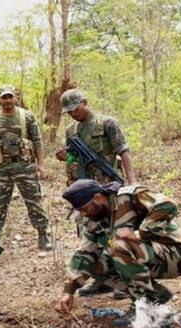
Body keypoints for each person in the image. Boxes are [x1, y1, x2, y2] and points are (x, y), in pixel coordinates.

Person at [55, 179, 181, 327]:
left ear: (97, 198)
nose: (83, 214)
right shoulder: (93, 220)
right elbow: (84, 255)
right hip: (148, 256)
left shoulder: (130, 197)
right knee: (96, 263)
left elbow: (167, 205)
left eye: (84, 209)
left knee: (119, 246)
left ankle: (147, 307)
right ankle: (153, 297)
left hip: (176, 253)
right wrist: (69, 291)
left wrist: (140, 233)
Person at [56, 89, 137, 299]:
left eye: (75, 109)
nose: (73, 114)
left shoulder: (107, 123)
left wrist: (131, 182)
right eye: (69, 112)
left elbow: (123, 151)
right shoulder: (71, 130)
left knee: (114, 233)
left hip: (109, 188)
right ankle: (102, 279)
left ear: (85, 102)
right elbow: (73, 157)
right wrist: (66, 156)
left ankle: (123, 280)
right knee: (87, 234)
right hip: (83, 192)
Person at [0, 84, 52, 250]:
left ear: (16, 98)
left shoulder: (27, 116)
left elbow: (37, 141)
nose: (7, 100)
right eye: (4, 97)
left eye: (10, 96)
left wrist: (41, 165)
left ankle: (43, 235)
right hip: (0, 169)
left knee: (34, 202)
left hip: (25, 167)